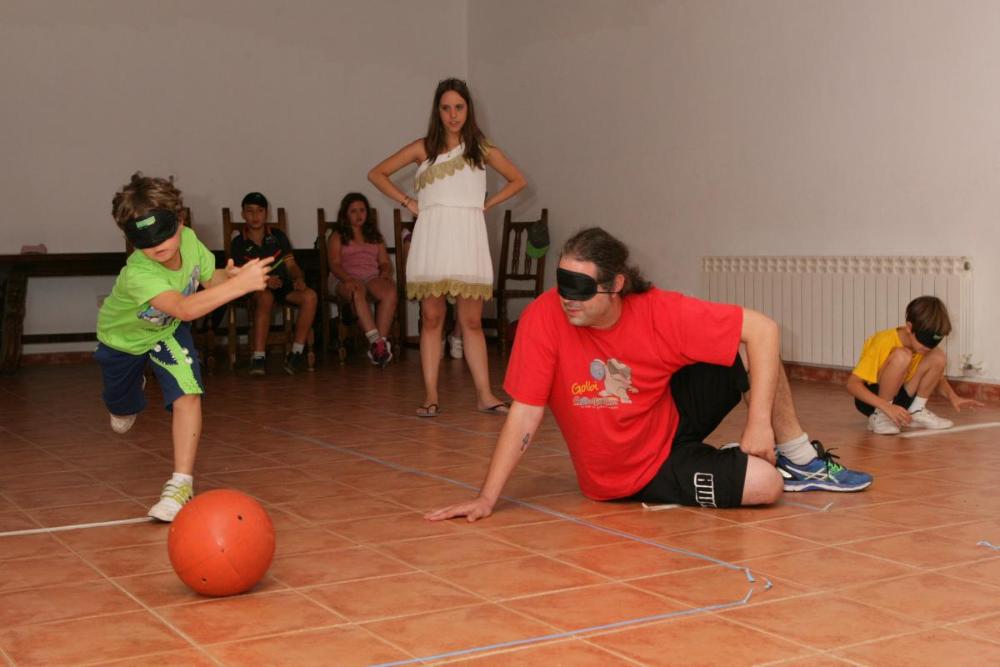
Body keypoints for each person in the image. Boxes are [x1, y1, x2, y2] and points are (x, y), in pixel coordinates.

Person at [426, 228, 874, 522]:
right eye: (562, 283)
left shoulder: (658, 310)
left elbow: (763, 330)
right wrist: (487, 497)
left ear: (617, 285)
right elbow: (524, 416)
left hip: (668, 415)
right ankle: (757, 463)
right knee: (765, 485)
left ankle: (798, 456)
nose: (567, 299)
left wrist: (760, 426)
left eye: (580, 289)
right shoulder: (545, 317)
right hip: (637, 471)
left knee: (744, 347)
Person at [96, 172, 272, 521]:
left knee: (187, 393)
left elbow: (209, 279)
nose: (156, 246)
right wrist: (240, 288)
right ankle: (126, 399)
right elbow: (186, 306)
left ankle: (180, 484)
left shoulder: (189, 240)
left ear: (180, 220)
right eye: (142, 241)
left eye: (163, 233)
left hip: (166, 333)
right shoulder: (138, 273)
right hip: (123, 341)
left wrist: (232, 277)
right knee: (121, 405)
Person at [369, 77, 526, 417]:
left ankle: (485, 394)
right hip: (433, 235)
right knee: (432, 317)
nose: (453, 115)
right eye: (446, 108)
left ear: (468, 110)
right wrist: (408, 201)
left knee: (470, 321)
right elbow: (377, 173)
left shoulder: (480, 148)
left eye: (459, 107)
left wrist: (486, 205)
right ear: (437, 111)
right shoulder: (421, 148)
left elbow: (518, 180)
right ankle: (430, 394)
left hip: (467, 234)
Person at [846, 296, 981, 435]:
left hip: (901, 398)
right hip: (873, 401)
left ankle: (916, 410)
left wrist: (953, 396)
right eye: (924, 342)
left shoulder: (923, 347)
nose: (927, 347)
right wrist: (885, 406)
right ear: (910, 327)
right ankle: (881, 416)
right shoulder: (882, 341)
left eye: (932, 343)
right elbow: (852, 384)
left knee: (938, 356)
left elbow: (937, 377)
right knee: (902, 356)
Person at [230, 192, 317, 375]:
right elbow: (238, 274)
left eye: (260, 211)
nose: (255, 216)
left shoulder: (278, 236)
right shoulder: (238, 242)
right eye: (250, 211)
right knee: (265, 297)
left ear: (266, 214)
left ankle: (296, 352)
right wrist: (265, 281)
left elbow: (291, 264)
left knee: (310, 296)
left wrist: (298, 278)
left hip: (283, 285)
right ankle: (259, 357)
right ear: (243, 214)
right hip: (255, 289)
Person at [327, 192, 397, 366]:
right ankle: (377, 342)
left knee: (390, 291)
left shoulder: (375, 235)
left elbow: (384, 262)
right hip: (343, 278)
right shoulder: (337, 235)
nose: (359, 215)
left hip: (370, 277)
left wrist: (386, 273)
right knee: (357, 289)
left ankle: (378, 346)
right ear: (345, 214)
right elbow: (334, 264)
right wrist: (347, 279)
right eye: (353, 211)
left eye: (362, 210)